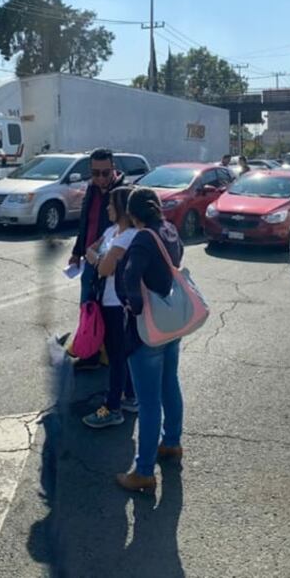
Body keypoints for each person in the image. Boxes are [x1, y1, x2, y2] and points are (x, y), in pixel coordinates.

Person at [115, 188, 185, 493]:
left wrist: (134, 307)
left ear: (132, 215)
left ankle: (144, 471)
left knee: (148, 401)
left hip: (148, 327)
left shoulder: (143, 238)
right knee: (170, 383)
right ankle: (171, 443)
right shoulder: (169, 230)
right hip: (171, 320)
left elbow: (131, 276)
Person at [81, 186, 139, 429]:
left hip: (119, 304)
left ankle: (113, 407)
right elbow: (89, 250)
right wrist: (99, 260)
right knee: (119, 354)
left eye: (111, 205)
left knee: (117, 356)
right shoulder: (112, 231)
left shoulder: (129, 237)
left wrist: (98, 260)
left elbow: (103, 267)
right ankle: (131, 397)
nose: (107, 208)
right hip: (106, 298)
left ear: (123, 209)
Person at [69, 148, 125, 369]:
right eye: (95, 173)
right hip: (89, 259)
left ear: (113, 168)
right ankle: (90, 351)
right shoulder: (91, 188)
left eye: (105, 172)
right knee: (88, 307)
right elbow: (85, 223)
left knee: (105, 310)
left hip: (108, 263)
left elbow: (122, 230)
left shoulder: (122, 192)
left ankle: (100, 355)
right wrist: (76, 251)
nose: (100, 178)